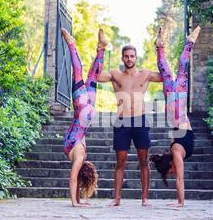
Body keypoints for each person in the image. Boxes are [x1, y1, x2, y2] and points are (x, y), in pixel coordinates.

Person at [98, 45, 162, 206]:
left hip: (140, 120)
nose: (129, 59)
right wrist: (100, 50)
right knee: (120, 162)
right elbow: (95, 76)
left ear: (136, 57)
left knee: (143, 161)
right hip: (122, 121)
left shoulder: (145, 74)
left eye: (132, 56)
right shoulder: (115, 75)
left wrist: (160, 49)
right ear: (122, 58)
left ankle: (145, 198)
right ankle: (117, 198)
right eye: (126, 56)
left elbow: (166, 75)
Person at [149, 26, 201, 208]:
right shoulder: (175, 148)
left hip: (176, 107)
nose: (173, 172)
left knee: (177, 70)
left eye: (169, 170)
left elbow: (180, 179)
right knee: (172, 71)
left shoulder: (177, 153)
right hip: (176, 106)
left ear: (170, 163)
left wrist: (180, 203)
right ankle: (161, 47)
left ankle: (184, 44)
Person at [61, 27, 108, 207]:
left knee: (85, 75)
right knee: (89, 76)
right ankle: (100, 49)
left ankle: (78, 45)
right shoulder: (76, 153)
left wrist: (75, 203)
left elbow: (73, 180)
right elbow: (77, 179)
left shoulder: (80, 155)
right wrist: (80, 199)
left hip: (85, 112)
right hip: (82, 114)